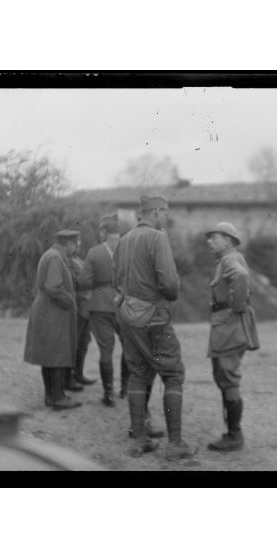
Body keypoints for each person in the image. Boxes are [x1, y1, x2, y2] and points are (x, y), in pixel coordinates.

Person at [114, 195, 196, 461]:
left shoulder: (124, 239)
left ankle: (139, 440)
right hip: (154, 315)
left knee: (138, 373)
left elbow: (116, 279)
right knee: (172, 375)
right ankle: (175, 444)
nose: (166, 217)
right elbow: (170, 282)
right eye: (165, 212)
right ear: (157, 212)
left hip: (128, 314)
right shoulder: (158, 237)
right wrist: (170, 295)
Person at [204, 222, 260, 452]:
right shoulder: (228, 258)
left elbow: (241, 277)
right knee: (224, 376)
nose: (209, 241)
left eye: (214, 237)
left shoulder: (229, 260)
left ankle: (234, 435)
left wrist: (236, 307)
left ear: (227, 240)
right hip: (226, 323)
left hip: (229, 324)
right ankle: (232, 433)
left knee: (227, 377)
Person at [24, 229, 82, 410]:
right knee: (57, 353)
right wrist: (70, 302)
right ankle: (57, 397)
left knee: (49, 354)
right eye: (76, 244)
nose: (77, 248)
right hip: (53, 310)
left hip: (46, 309)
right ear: (69, 244)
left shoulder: (51, 255)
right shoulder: (56, 258)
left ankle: (51, 396)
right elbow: (53, 287)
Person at [78, 213, 127, 407]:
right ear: (118, 232)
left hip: (99, 304)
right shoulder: (128, 249)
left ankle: (109, 394)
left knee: (106, 349)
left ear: (104, 232)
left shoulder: (94, 252)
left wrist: (96, 283)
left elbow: (83, 281)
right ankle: (126, 388)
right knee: (128, 347)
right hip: (124, 302)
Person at [66, 229, 96, 390]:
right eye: (76, 242)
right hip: (78, 305)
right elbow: (80, 281)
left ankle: (78, 373)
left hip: (87, 305)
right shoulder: (69, 262)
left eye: (78, 242)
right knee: (74, 341)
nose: (78, 245)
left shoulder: (78, 260)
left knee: (84, 340)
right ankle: (69, 377)